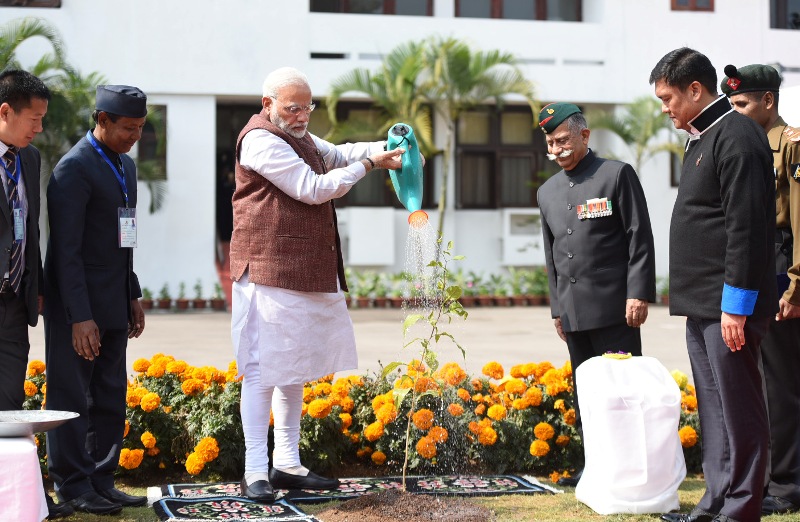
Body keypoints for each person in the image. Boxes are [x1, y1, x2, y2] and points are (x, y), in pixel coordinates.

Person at [230, 67, 405, 503]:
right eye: (293, 107)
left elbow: (337, 153)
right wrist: (369, 165)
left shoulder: (300, 134)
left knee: (294, 369)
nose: (302, 115)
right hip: (267, 271)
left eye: (308, 106)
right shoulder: (260, 139)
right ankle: (255, 471)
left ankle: (287, 464)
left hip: (303, 269)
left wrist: (386, 148)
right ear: (268, 104)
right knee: (260, 370)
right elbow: (312, 188)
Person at [650, 48, 776, 522]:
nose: (665, 108)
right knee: (715, 409)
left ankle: (742, 507)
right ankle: (716, 501)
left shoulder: (737, 136)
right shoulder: (703, 136)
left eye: (668, 98)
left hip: (729, 307)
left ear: (695, 90)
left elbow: (746, 228)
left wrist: (737, 307)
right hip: (703, 303)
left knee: (739, 407)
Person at [536, 102, 656, 487]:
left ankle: (630, 470)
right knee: (586, 394)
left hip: (615, 311)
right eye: (551, 144)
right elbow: (551, 254)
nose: (556, 151)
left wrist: (638, 293)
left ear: (584, 136)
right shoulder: (547, 192)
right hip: (572, 314)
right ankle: (597, 467)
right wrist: (557, 308)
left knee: (622, 393)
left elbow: (640, 236)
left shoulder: (616, 175)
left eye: (563, 141)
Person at [44, 85, 148, 515]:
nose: (134, 136)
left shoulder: (125, 165)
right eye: (128, 128)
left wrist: (133, 292)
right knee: (71, 395)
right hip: (79, 306)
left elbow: (124, 237)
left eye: (141, 128)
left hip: (114, 299)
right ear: (101, 120)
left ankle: (102, 478)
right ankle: (72, 484)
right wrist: (78, 317)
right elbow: (64, 251)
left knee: (109, 392)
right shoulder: (74, 169)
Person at [721, 63, 800, 516]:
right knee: (758, 382)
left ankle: (787, 485)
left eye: (742, 104)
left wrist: (796, 285)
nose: (736, 113)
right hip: (758, 264)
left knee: (781, 383)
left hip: (782, 268)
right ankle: (765, 479)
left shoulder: (789, 146)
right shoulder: (742, 143)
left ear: (768, 101)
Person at [0, 70, 74, 520]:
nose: (40, 127)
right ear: (4, 111)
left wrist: (37, 285)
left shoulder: (28, 159)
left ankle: (23, 498)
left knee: (10, 406)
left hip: (14, 303)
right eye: (34, 118)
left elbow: (30, 229)